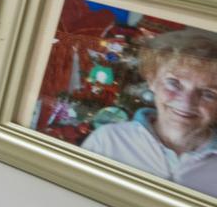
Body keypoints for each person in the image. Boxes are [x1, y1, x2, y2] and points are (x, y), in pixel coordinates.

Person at [81, 29, 217, 194]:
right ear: (152, 81)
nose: (187, 102)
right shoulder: (107, 141)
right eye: (174, 83)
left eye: (209, 93)